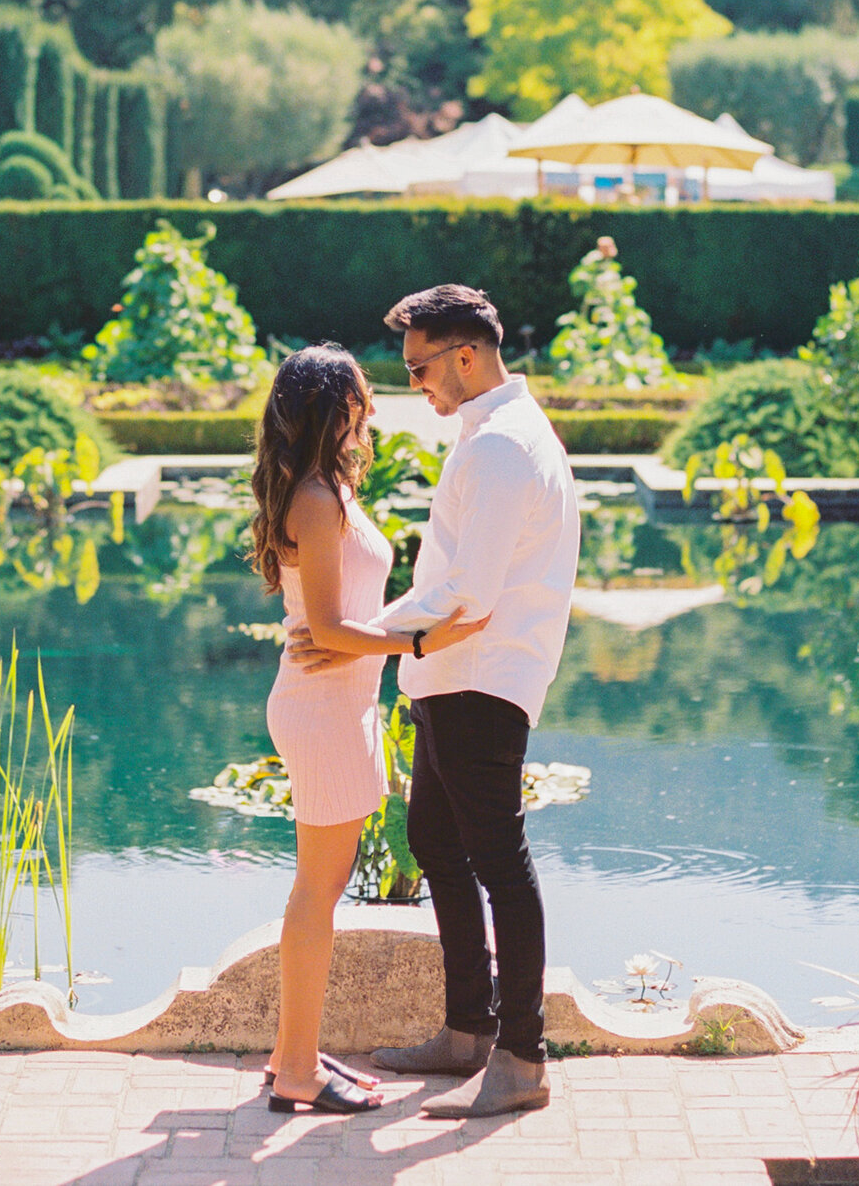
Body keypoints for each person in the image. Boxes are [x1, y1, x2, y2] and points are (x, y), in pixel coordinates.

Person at [288, 283, 581, 1119]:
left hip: (481, 677)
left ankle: (522, 1057)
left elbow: (468, 593)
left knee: (498, 862)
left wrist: (355, 632)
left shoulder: (498, 448)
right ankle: (467, 1029)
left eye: (420, 366)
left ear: (465, 355)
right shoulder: (501, 433)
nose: (413, 383)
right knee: (436, 843)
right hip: (456, 676)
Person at [249, 343, 492, 1114]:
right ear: (333, 406)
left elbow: (339, 622)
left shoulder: (328, 488)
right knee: (316, 892)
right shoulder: (317, 499)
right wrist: (420, 641)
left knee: (314, 889)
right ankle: (294, 1071)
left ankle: (295, 1052)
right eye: (362, 396)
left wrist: (382, 632)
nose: (376, 408)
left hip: (339, 702)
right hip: (321, 711)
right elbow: (325, 625)